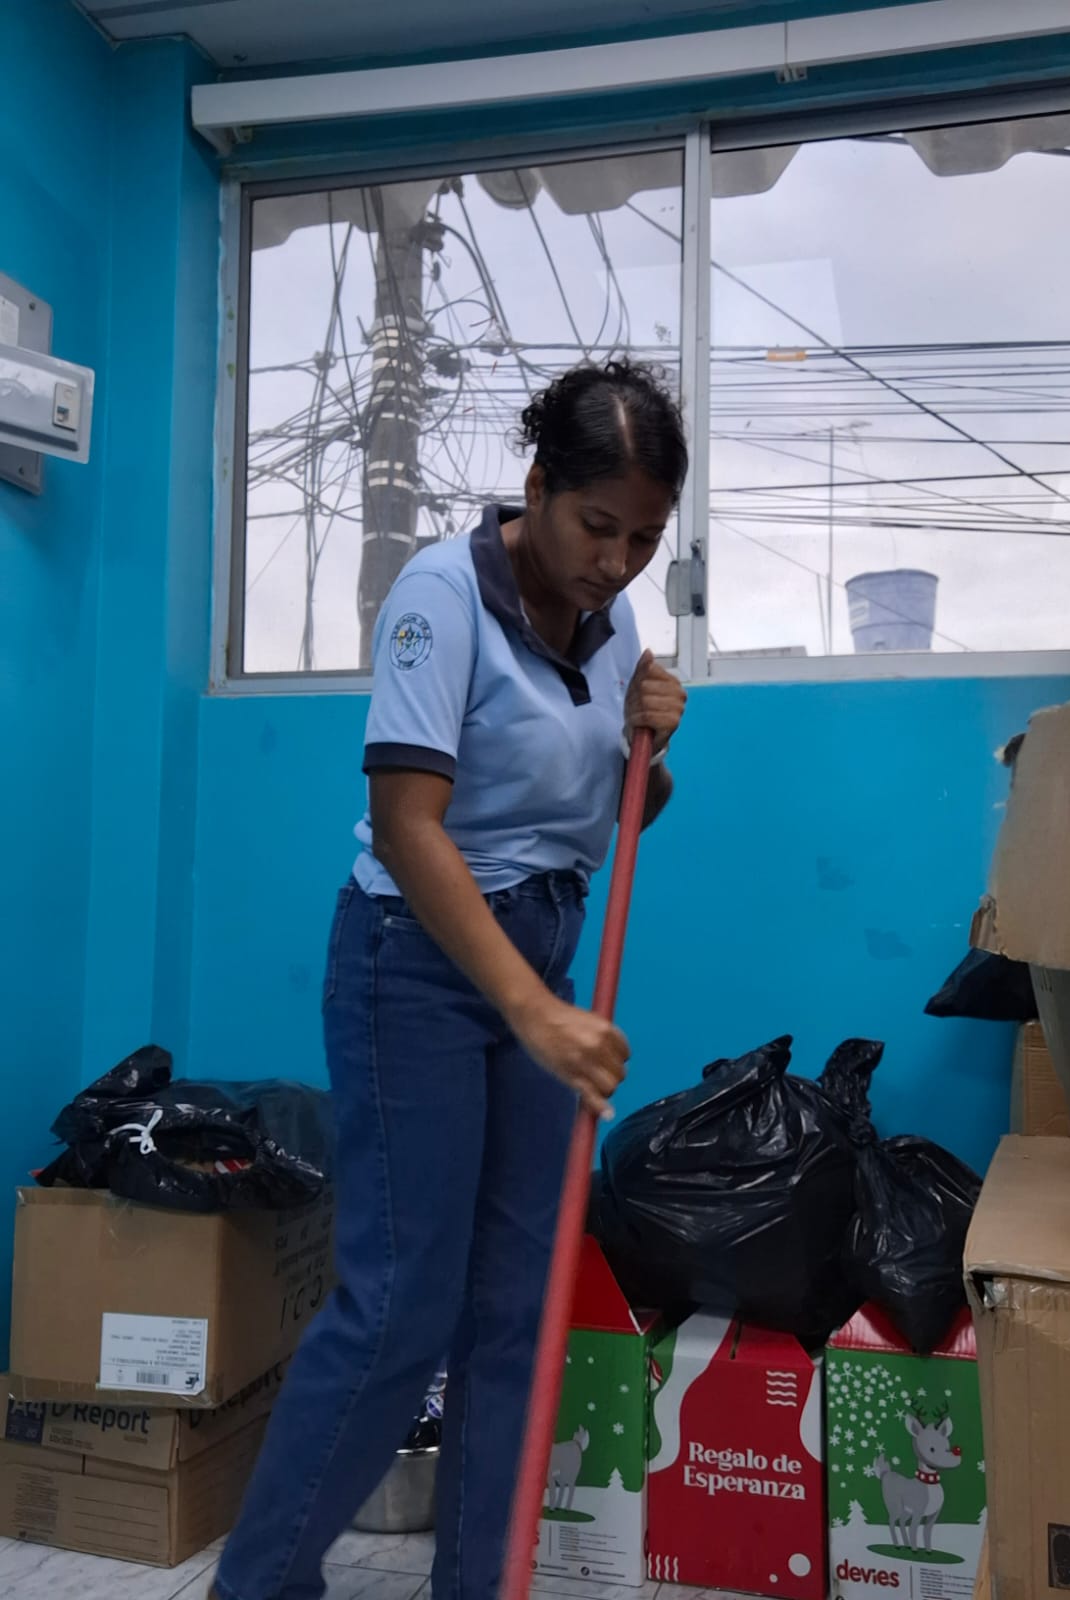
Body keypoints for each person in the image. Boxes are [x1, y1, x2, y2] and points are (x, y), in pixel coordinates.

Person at [212, 359, 689, 1600]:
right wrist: (532, 1010)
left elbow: (607, 814)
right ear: (537, 485)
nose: (616, 561)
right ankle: (257, 1584)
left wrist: (653, 750)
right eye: (597, 525)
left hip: (542, 945)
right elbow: (408, 822)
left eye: (643, 538)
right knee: (400, 1305)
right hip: (414, 961)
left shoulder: (614, 626)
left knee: (517, 1304)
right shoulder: (440, 595)